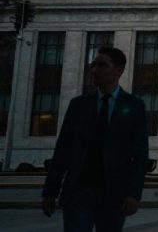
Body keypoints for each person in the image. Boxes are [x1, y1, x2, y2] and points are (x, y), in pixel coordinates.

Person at [41, 47, 149, 232]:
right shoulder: (78, 105)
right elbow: (63, 150)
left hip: (114, 194)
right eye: (94, 65)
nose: (95, 70)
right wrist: (50, 191)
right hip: (79, 190)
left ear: (119, 70)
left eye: (102, 65)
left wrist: (134, 194)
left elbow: (140, 155)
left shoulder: (134, 106)